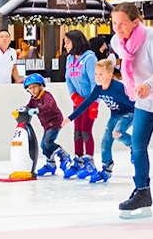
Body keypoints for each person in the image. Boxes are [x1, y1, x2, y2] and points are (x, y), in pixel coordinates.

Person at [110, 2, 153, 218]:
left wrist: (147, 85)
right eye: (114, 23)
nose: (118, 28)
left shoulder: (151, 36)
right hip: (144, 99)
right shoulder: (117, 41)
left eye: (122, 24)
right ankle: (143, 192)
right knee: (138, 145)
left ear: (136, 22)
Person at [68, 58, 134, 183]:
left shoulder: (118, 88)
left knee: (117, 133)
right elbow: (87, 102)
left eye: (101, 74)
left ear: (110, 75)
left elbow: (135, 103)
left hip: (131, 113)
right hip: (115, 114)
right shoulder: (98, 88)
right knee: (105, 141)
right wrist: (71, 117)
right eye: (96, 74)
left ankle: (133, 146)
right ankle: (106, 169)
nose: (97, 77)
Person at [62, 29, 99, 178]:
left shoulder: (90, 58)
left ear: (76, 42)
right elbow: (68, 79)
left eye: (68, 42)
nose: (65, 45)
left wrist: (93, 102)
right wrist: (73, 96)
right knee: (77, 131)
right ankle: (78, 160)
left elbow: (94, 81)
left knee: (85, 130)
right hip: (78, 101)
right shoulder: (70, 59)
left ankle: (89, 161)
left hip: (90, 101)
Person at [20, 73, 69, 177]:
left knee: (47, 142)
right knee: (44, 145)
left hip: (55, 122)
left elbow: (48, 106)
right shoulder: (33, 99)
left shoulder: (46, 95)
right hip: (46, 125)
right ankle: (50, 165)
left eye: (35, 87)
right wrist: (22, 111)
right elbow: (28, 107)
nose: (32, 90)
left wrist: (37, 110)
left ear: (40, 86)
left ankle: (63, 154)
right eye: (30, 88)